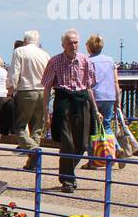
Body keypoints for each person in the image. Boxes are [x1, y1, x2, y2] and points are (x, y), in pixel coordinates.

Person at [41, 29, 100, 194]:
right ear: (63, 45)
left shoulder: (85, 60)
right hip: (63, 101)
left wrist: (95, 110)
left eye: (75, 42)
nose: (73, 46)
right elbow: (47, 88)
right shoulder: (54, 61)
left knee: (82, 144)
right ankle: (67, 180)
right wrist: (46, 111)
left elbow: (89, 87)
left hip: (82, 101)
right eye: (70, 43)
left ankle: (68, 173)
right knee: (67, 143)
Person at [9, 30, 51, 167]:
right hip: (42, 91)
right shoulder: (45, 54)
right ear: (37, 41)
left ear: (25, 40)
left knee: (19, 127)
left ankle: (33, 149)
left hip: (26, 91)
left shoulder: (19, 51)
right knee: (37, 127)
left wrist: (10, 90)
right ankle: (32, 163)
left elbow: (14, 74)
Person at [82, 34, 121, 170]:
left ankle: (92, 160)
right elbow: (116, 82)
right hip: (110, 96)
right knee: (107, 125)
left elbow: (87, 83)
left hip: (95, 96)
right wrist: (117, 100)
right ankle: (116, 149)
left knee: (92, 128)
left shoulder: (88, 61)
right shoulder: (110, 61)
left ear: (89, 47)